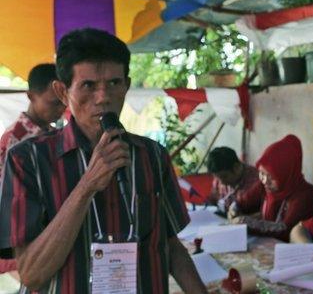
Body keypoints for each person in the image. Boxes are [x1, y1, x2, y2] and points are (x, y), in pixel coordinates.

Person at [0, 28, 206, 293]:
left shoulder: (152, 155)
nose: (103, 97)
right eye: (88, 85)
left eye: (114, 83)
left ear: (127, 86)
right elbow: (31, 274)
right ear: (63, 92)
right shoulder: (27, 160)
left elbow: (169, 244)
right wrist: (86, 186)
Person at [0, 64, 66, 275]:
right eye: (53, 102)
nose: (60, 109)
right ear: (31, 96)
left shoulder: (55, 135)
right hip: (25, 242)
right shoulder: (15, 142)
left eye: (63, 102)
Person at [231, 135, 313, 242]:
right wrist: (234, 208)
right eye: (261, 173)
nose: (264, 180)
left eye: (272, 177)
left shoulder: (305, 195)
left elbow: (285, 229)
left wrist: (248, 223)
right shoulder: (265, 186)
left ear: (286, 174)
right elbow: (243, 202)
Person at [206, 147, 264, 218]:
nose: (222, 183)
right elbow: (212, 201)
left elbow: (266, 214)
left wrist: (246, 218)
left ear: (236, 167)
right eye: (217, 178)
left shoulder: (258, 181)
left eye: (224, 176)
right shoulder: (219, 180)